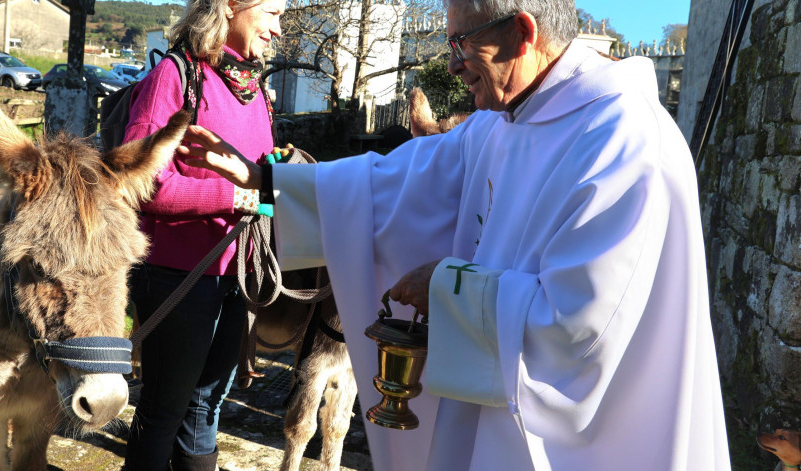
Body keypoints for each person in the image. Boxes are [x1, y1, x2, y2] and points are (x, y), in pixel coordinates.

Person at [177, 0, 732, 470]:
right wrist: (268, 179)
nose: (453, 65)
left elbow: (581, 327)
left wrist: (446, 288)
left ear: (522, 32)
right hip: (488, 412)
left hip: (584, 444)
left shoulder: (621, 139)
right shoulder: (502, 119)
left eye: (461, 44)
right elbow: (399, 181)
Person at [120, 0, 284, 469]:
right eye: (272, 14)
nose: (277, 31)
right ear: (232, 6)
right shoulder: (174, 76)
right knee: (164, 411)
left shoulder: (254, 91)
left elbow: (260, 175)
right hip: (177, 275)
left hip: (237, 274)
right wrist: (234, 198)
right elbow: (142, 183)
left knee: (206, 407)